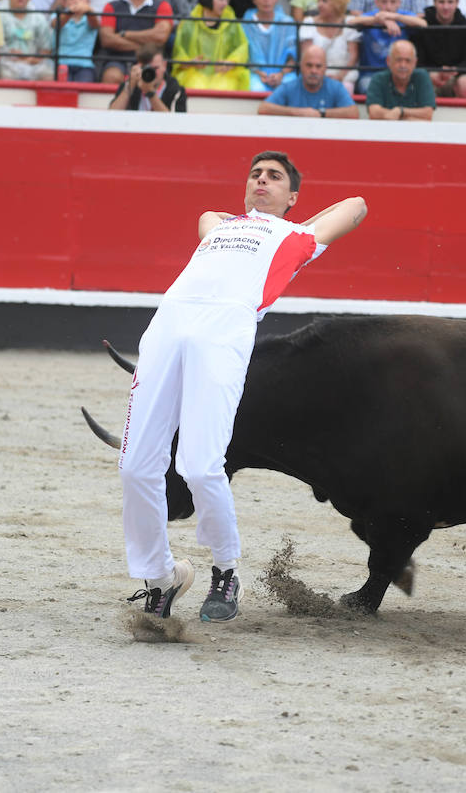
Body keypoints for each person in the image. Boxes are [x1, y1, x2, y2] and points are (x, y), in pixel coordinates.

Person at [118, 151, 365, 622]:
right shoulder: (221, 226)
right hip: (166, 330)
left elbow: (355, 204)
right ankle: (160, 578)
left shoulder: (300, 237)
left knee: (201, 465)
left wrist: (290, 223)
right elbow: (207, 216)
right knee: (134, 466)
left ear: (292, 196)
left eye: (274, 177)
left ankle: (226, 571)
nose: (261, 181)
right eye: (255, 175)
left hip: (222, 337)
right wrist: (261, 218)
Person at [98, 0, 174, 83]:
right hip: (117, 60)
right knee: (111, 76)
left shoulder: (162, 6)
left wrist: (125, 34)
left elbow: (161, 36)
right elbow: (107, 39)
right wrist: (143, 45)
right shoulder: (111, 6)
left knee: (155, 78)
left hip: (151, 61)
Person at [349, 0, 427, 90]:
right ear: (377, 2)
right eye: (384, 2)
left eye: (393, 2)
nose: (388, 6)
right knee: (367, 87)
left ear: (399, 3)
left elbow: (423, 23)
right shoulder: (372, 15)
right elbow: (352, 21)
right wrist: (380, 20)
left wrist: (394, 17)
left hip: (401, 73)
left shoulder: (403, 16)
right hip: (371, 75)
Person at [173, 0, 250, 87]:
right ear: (208, 0)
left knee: (224, 86)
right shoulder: (188, 25)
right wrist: (190, 62)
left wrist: (230, 62)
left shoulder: (232, 23)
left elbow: (242, 47)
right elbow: (179, 54)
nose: (225, 3)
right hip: (193, 73)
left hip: (225, 74)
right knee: (195, 85)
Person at [412, 0, 466, 97]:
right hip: (430, 74)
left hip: (459, 74)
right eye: (441, 2)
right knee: (423, 81)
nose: (446, 7)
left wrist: (455, 70)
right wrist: (432, 72)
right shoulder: (421, 25)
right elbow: (417, 61)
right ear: (434, 2)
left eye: (450, 2)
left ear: (457, 2)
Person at [257, 40, 360, 114]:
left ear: (325, 68)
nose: (313, 70)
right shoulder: (289, 87)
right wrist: (298, 112)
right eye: (309, 65)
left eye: (318, 66)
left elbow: (353, 112)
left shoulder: (336, 87)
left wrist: (321, 113)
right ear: (301, 66)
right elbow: (263, 108)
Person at [299, 0, 361, 89]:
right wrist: (320, 76)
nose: (319, 5)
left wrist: (340, 76)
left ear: (337, 3)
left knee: (346, 87)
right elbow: (305, 55)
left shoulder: (350, 23)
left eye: (324, 1)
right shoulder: (308, 22)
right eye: (318, 0)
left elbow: (353, 56)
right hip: (314, 76)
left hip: (344, 77)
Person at [0, 0, 55, 78]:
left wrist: (31, 59)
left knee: (48, 75)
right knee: (5, 76)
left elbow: (46, 48)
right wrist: (9, 54)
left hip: (34, 63)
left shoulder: (39, 18)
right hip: (6, 63)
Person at [242, 0, 295, 90]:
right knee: (256, 89)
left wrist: (281, 74)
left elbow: (293, 57)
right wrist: (259, 73)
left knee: (291, 88)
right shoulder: (246, 24)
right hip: (255, 75)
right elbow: (244, 57)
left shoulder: (288, 23)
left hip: (284, 75)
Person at [365, 37, 436, 117]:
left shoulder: (422, 76)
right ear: (388, 61)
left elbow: (427, 114)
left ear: (415, 62)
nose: (403, 65)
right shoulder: (378, 78)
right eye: (398, 60)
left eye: (408, 60)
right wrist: (410, 117)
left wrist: (401, 111)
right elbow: (374, 112)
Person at [108, 42, 189, 108]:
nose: (151, 72)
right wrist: (130, 87)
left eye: (155, 68)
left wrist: (150, 94)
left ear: (164, 65)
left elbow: (175, 123)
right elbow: (111, 115)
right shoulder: (130, 84)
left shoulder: (176, 90)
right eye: (146, 68)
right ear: (138, 66)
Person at [56, 0, 99, 80]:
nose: (76, 1)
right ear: (64, 2)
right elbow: (56, 24)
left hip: (85, 65)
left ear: (87, 1)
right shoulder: (59, 15)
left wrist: (88, 10)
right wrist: (70, 12)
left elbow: (95, 24)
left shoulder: (91, 17)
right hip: (62, 64)